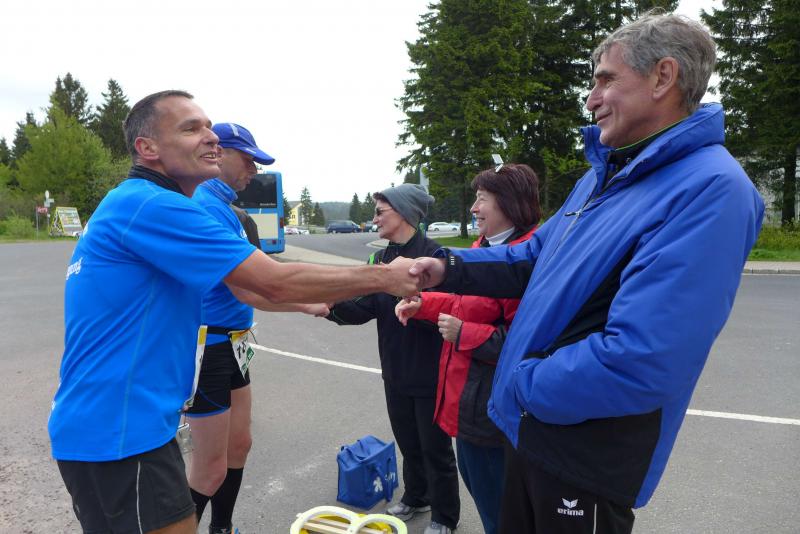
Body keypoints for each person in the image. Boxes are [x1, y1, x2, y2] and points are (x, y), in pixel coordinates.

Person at [408, 12, 765, 533]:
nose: (591, 99)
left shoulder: (711, 190)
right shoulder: (607, 174)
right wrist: (448, 266)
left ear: (663, 77)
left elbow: (641, 359)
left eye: (606, 80)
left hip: (584, 456)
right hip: (531, 431)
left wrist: (522, 382)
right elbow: (533, 257)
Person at [48, 90, 419, 534]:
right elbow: (270, 280)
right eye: (191, 128)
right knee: (201, 481)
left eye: (209, 127)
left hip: (123, 423)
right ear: (147, 148)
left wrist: (314, 301)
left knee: (224, 458)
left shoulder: (145, 202)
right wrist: (384, 276)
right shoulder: (153, 205)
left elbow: (253, 286)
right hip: (120, 430)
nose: (211, 138)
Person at [187, 122, 328, 534]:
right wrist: (307, 303)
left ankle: (222, 527)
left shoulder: (226, 208)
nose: (253, 170)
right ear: (220, 154)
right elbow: (249, 289)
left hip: (233, 344)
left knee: (239, 445)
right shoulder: (205, 206)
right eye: (248, 160)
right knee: (208, 468)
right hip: (208, 347)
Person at [395, 163, 540, 534]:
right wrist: (422, 304)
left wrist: (465, 334)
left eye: (482, 199)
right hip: (469, 406)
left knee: (501, 512)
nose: (474, 208)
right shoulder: (483, 248)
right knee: (484, 493)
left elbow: (528, 344)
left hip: (496, 413)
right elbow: (462, 304)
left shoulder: (527, 260)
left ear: (509, 202)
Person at [323, 184, 460, 534]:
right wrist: (330, 309)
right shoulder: (381, 259)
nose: (374, 219)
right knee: (408, 442)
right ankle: (417, 496)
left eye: (380, 212)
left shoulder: (434, 257)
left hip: (429, 370)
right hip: (395, 367)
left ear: (403, 213)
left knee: (435, 449)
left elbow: (450, 312)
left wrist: (419, 308)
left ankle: (445, 516)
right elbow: (365, 307)